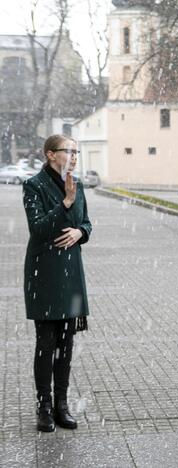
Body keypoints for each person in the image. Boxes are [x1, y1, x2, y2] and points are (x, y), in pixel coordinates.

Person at [22, 134, 91, 432]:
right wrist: (64, 203)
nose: (74, 156)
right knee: (46, 344)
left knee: (66, 344)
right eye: (69, 151)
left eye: (77, 152)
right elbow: (38, 229)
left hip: (71, 271)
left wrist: (80, 233)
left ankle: (62, 405)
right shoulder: (33, 186)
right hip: (45, 271)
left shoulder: (78, 184)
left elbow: (85, 222)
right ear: (51, 155)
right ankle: (44, 408)